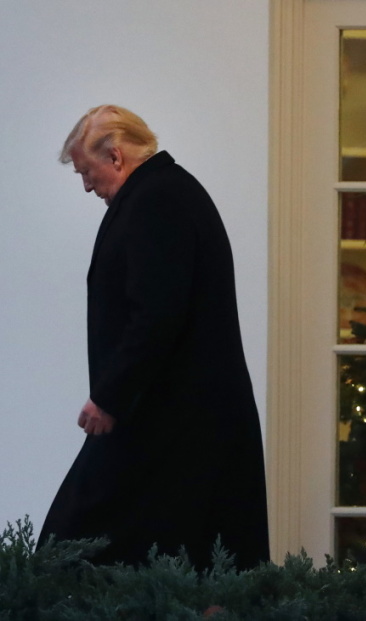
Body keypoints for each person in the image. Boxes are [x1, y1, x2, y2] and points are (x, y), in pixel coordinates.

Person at [37, 105, 270, 569]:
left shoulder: (156, 200)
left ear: (117, 158)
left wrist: (109, 398)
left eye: (87, 171)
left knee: (68, 552)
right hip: (172, 420)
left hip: (166, 421)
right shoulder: (167, 192)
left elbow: (157, 313)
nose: (86, 185)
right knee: (180, 561)